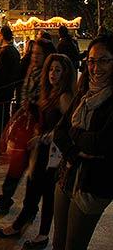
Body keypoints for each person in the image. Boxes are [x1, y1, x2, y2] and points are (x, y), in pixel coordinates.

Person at [0, 54, 75, 248]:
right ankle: (20, 224)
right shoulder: (50, 94)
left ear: (65, 73)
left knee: (47, 194)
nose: (53, 74)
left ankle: (42, 235)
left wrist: (42, 137)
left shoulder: (64, 96)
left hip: (52, 154)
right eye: (51, 69)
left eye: (58, 70)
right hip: (40, 150)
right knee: (32, 188)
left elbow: (67, 127)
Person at [52, 35, 113, 250]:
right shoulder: (84, 94)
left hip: (93, 184)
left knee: (74, 245)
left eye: (104, 60)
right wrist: (75, 152)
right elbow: (59, 132)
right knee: (58, 241)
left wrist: (73, 133)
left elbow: (100, 144)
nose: (96, 68)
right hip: (67, 175)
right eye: (92, 61)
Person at [0, 38, 57, 215]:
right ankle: (6, 199)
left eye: (38, 54)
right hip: (26, 122)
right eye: (33, 53)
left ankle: (29, 208)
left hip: (39, 126)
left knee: (33, 172)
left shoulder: (49, 75)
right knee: (17, 164)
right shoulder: (32, 71)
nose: (34, 57)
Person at [0, 25, 21, 154]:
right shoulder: (14, 51)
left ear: (3, 35)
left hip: (2, 89)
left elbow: (0, 72)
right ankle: (2, 144)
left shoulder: (4, 51)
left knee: (0, 118)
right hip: (10, 88)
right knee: (4, 117)